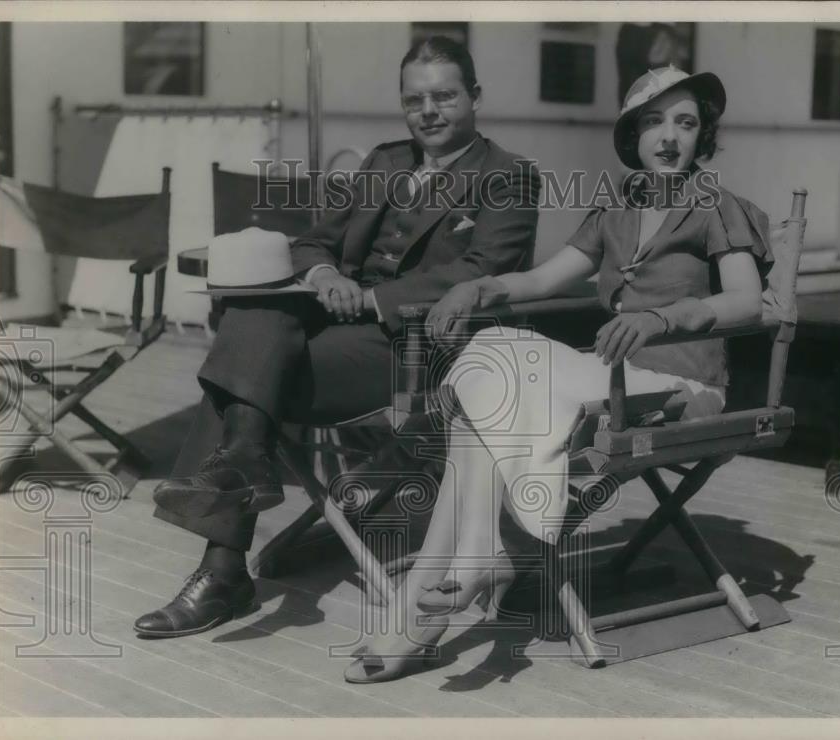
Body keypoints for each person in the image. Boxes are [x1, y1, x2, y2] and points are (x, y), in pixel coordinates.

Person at [344, 65, 773, 683]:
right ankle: (471, 568)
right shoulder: (617, 208)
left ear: (703, 134)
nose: (669, 137)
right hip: (612, 378)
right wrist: (478, 285)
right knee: (490, 355)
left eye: (686, 122)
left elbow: (746, 302)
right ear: (633, 135)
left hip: (682, 388)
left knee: (481, 406)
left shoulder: (716, 206)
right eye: (653, 122)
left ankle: (420, 612)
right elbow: (544, 280)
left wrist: (662, 317)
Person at [134, 36, 540, 638]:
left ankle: (224, 567)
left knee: (242, 376)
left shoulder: (509, 176)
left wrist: (372, 297)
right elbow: (310, 242)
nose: (428, 111)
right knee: (253, 309)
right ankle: (244, 462)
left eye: (445, 97)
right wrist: (323, 274)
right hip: (337, 334)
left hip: (423, 351)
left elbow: (480, 272)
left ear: (475, 98)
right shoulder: (383, 162)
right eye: (414, 100)